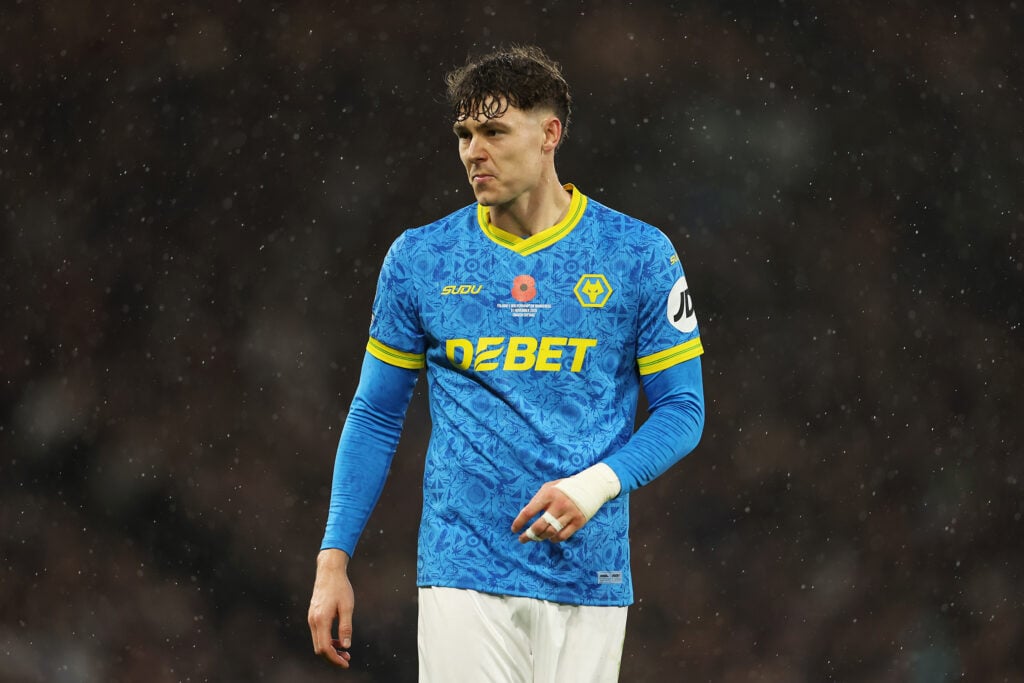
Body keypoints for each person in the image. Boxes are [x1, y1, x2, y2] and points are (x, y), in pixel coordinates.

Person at [307, 44, 706, 682]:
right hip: (463, 568)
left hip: (589, 571)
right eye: (464, 134)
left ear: (550, 134)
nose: (473, 151)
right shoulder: (422, 260)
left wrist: (592, 486)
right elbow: (376, 415)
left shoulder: (637, 254)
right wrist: (334, 560)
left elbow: (684, 411)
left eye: (494, 131)